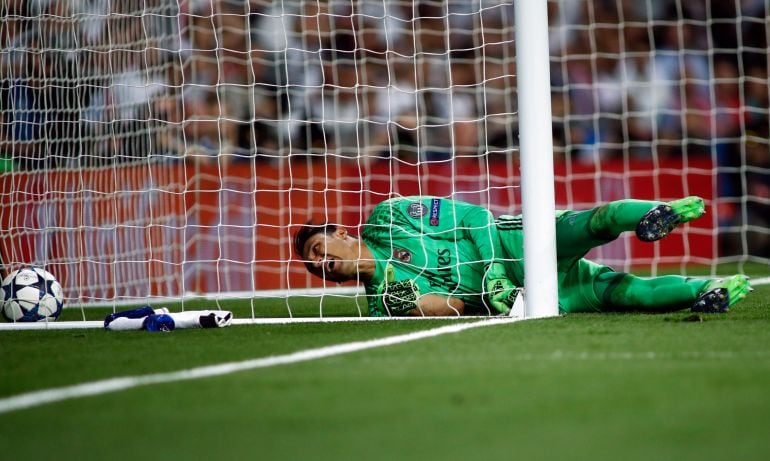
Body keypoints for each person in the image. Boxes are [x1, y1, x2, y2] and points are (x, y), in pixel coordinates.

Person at [294, 196, 752, 317]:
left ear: (340, 232)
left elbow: (474, 217)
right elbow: (453, 305)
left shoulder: (389, 216)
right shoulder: (380, 303)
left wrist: (493, 269)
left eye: (319, 249)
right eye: (316, 267)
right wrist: (415, 303)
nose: (322, 263)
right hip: (518, 296)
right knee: (625, 295)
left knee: (598, 221)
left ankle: (656, 213)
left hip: (519, 244)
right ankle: (711, 289)